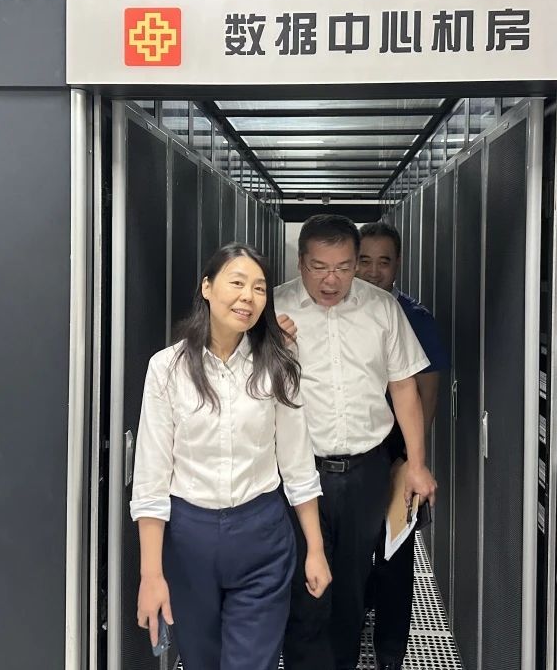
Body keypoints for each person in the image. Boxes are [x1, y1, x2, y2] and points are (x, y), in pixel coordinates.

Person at [131, 242, 332, 670]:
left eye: (259, 288)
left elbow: (298, 464)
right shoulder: (167, 369)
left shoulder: (277, 363)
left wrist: (315, 548)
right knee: (200, 660)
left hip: (261, 535)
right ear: (207, 287)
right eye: (237, 283)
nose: (248, 297)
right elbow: (151, 478)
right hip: (189, 539)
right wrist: (151, 574)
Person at [275, 214, 438, 670]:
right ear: (301, 261)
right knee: (303, 585)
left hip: (366, 471)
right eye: (319, 267)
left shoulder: (381, 309)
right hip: (298, 471)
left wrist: (417, 464)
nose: (332, 280)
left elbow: (404, 387)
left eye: (344, 267)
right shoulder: (274, 309)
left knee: (351, 586)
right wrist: (272, 348)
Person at [357, 221, 450, 670]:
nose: (373, 272)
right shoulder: (338, 310)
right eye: (364, 261)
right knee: (352, 549)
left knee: (395, 551)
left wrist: (412, 458)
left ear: (398, 265)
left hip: (396, 447)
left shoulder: (416, 319)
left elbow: (426, 393)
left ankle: (390, 654)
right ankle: (354, 623)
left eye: (384, 262)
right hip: (349, 452)